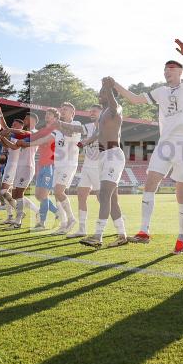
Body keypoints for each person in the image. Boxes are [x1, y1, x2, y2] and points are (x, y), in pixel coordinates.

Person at [111, 39, 183, 254]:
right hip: (165, 143)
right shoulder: (160, 91)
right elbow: (135, 100)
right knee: (150, 183)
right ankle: (144, 231)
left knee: (181, 192)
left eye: (171, 68)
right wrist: (114, 84)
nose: (167, 72)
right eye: (165, 69)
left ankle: (181, 237)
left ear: (180, 71)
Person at [79, 78, 129, 248]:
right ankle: (122, 235)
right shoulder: (104, 114)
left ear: (109, 94)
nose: (99, 95)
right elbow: (98, 134)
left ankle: (97, 236)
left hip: (113, 154)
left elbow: (115, 106)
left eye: (102, 93)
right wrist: (85, 142)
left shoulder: (115, 109)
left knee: (104, 195)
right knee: (112, 200)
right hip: (103, 156)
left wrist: (108, 87)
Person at [66, 104, 104, 238]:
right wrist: (60, 122)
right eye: (90, 111)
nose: (91, 112)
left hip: (99, 167)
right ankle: (82, 229)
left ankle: (118, 221)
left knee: (102, 199)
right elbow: (76, 128)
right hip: (87, 166)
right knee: (81, 195)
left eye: (95, 111)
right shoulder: (88, 126)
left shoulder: (108, 126)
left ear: (102, 112)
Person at [48, 102, 84, 234]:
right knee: (56, 195)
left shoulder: (77, 124)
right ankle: (63, 224)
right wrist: (28, 142)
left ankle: (71, 219)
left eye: (65, 110)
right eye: (61, 109)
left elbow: (69, 134)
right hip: (58, 165)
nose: (62, 111)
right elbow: (46, 138)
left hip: (69, 164)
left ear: (72, 113)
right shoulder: (57, 130)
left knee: (59, 191)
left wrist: (58, 123)